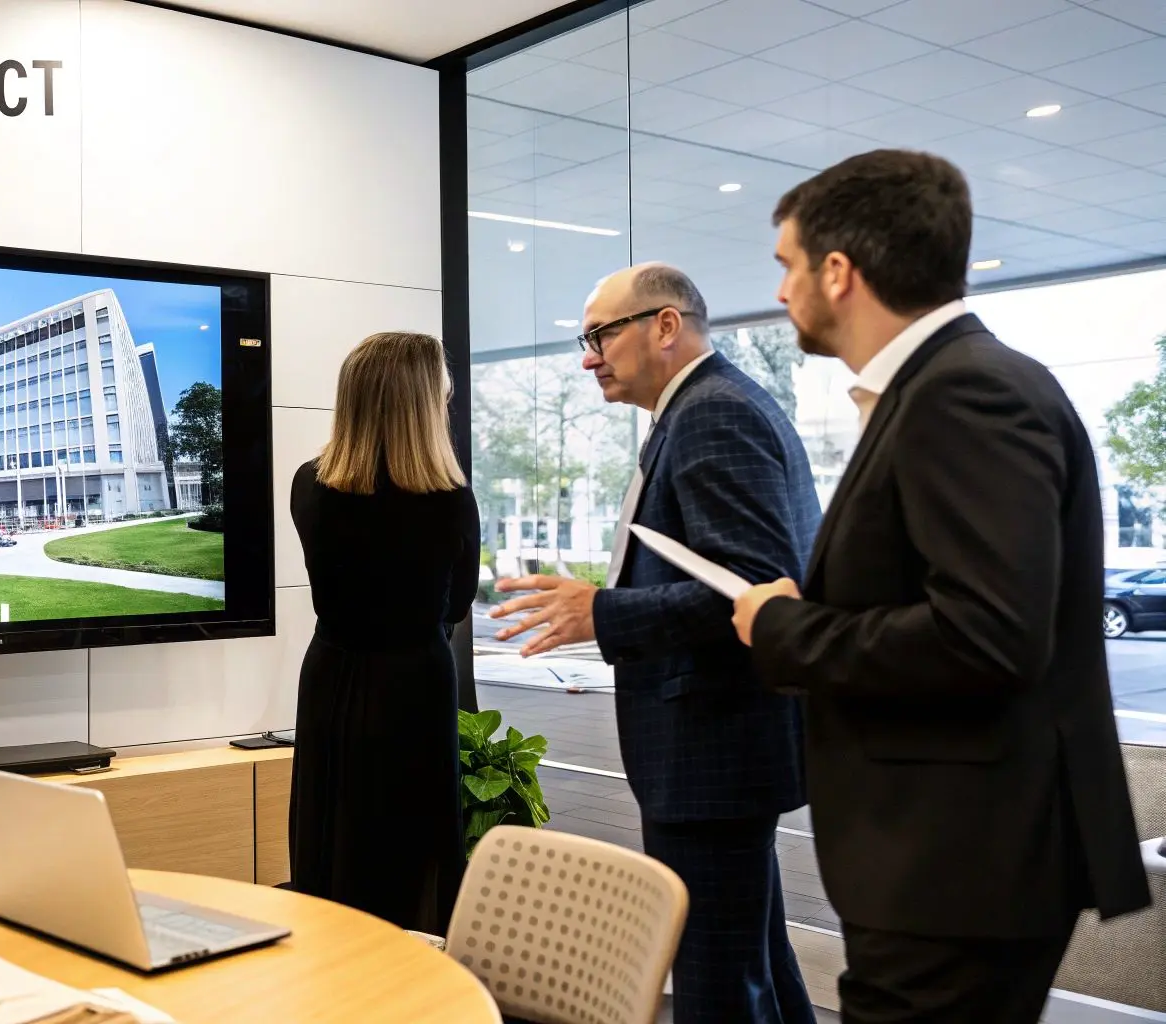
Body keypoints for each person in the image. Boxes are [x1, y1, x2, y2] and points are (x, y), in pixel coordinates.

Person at [731, 149, 1151, 1024]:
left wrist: (783, 627)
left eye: (787, 264)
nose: (780, 290)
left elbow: (986, 636)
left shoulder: (964, 392)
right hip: (951, 861)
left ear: (838, 272)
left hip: (958, 865)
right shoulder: (947, 386)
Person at [490, 264, 819, 1024]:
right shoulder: (705, 407)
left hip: (713, 754)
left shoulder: (713, 414)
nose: (588, 359)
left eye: (601, 335)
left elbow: (755, 592)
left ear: (665, 326)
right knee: (753, 969)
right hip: (717, 753)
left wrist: (602, 613)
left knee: (717, 988)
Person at [289, 331, 477, 934]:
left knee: (331, 826)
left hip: (332, 674)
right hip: (415, 681)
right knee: (410, 840)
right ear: (421, 403)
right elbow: (459, 602)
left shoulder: (308, 483)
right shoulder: (450, 498)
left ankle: (328, 961)